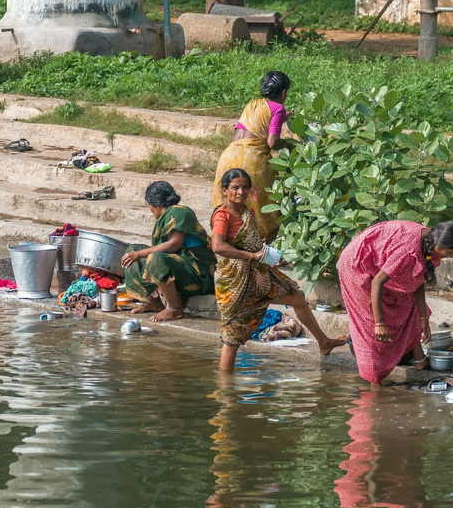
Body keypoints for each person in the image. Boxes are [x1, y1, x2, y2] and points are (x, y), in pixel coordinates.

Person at [211, 168, 348, 372]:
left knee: (298, 298)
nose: (240, 192)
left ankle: (323, 342)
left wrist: (270, 256)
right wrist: (251, 256)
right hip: (236, 280)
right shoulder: (223, 216)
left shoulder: (246, 212)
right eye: (235, 187)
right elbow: (218, 247)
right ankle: (226, 392)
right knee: (233, 335)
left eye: (245, 187)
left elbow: (251, 245)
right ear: (224, 190)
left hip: (258, 273)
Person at [337, 219, 453, 385]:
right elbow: (377, 283)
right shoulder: (408, 249)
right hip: (356, 266)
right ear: (439, 247)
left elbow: (417, 281)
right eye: (450, 253)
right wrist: (379, 323)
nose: (450, 257)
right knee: (370, 326)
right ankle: (374, 386)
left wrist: (423, 319)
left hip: (376, 266)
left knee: (407, 304)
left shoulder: (428, 242)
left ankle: (420, 359)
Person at [212, 71, 293, 243]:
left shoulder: (253, 104)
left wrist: (281, 119)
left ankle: (230, 243)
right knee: (267, 208)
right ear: (284, 92)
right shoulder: (278, 108)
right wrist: (288, 145)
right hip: (252, 160)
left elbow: (255, 126)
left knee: (233, 204)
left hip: (229, 156)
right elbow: (272, 142)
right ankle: (261, 249)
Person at [120, 181, 216, 321]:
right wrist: (137, 253)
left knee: (155, 258)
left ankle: (174, 308)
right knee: (132, 250)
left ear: (157, 204)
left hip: (198, 273)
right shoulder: (165, 216)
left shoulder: (179, 212)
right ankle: (154, 301)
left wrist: (141, 254)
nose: (150, 209)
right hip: (181, 265)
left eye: (150, 205)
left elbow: (173, 245)